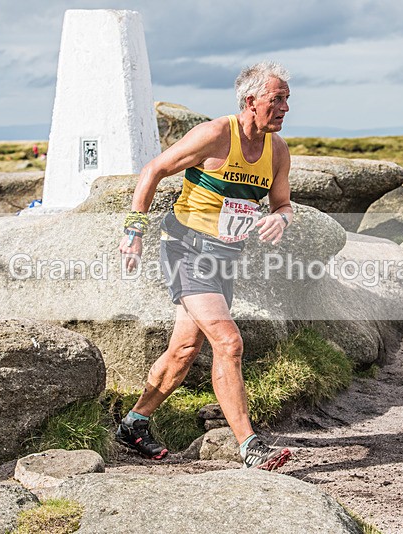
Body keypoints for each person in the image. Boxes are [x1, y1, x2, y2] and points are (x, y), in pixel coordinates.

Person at [117, 61, 294, 470]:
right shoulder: (216, 135)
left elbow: (282, 203)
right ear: (250, 101)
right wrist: (134, 230)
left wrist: (279, 218)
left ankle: (133, 423)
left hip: (224, 258)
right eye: (277, 99)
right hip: (186, 251)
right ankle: (250, 446)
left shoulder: (277, 150)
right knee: (229, 342)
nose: (285, 107)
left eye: (287, 99)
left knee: (183, 350)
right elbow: (153, 170)